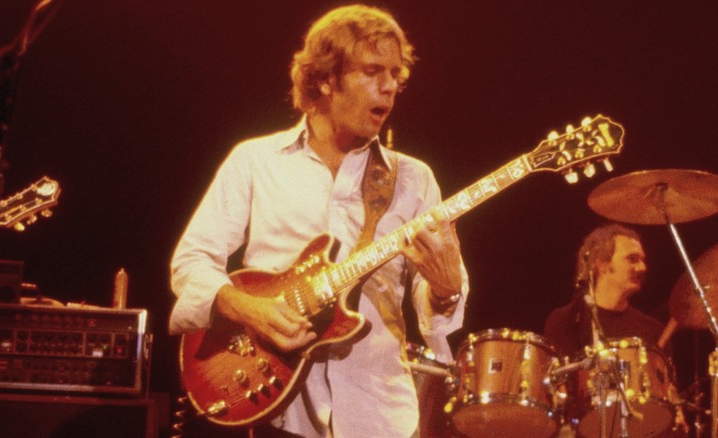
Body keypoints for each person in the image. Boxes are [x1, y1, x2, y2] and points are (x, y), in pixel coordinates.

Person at [169, 5, 469, 437]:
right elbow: (191, 263)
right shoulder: (255, 161)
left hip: (379, 415)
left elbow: (434, 312)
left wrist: (445, 289)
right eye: (372, 71)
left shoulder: (414, 179)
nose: (389, 87)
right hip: (275, 410)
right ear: (326, 79)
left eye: (396, 75)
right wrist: (248, 308)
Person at [543, 222, 680, 437]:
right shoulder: (566, 320)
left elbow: (668, 396)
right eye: (632, 259)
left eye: (643, 260)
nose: (643, 268)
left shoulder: (654, 331)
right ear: (602, 263)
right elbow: (555, 390)